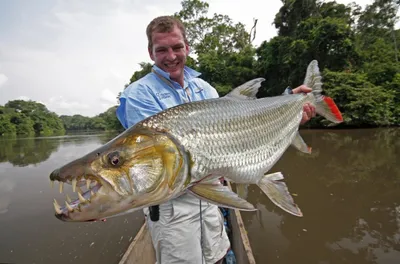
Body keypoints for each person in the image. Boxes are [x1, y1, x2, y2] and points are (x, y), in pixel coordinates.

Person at [116, 15, 315, 264]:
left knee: (218, 256)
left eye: (177, 47)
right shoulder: (138, 95)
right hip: (173, 209)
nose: (171, 56)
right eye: (162, 50)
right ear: (150, 52)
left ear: (187, 47)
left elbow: (241, 123)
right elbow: (152, 164)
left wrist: (289, 104)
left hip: (211, 198)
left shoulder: (205, 89)